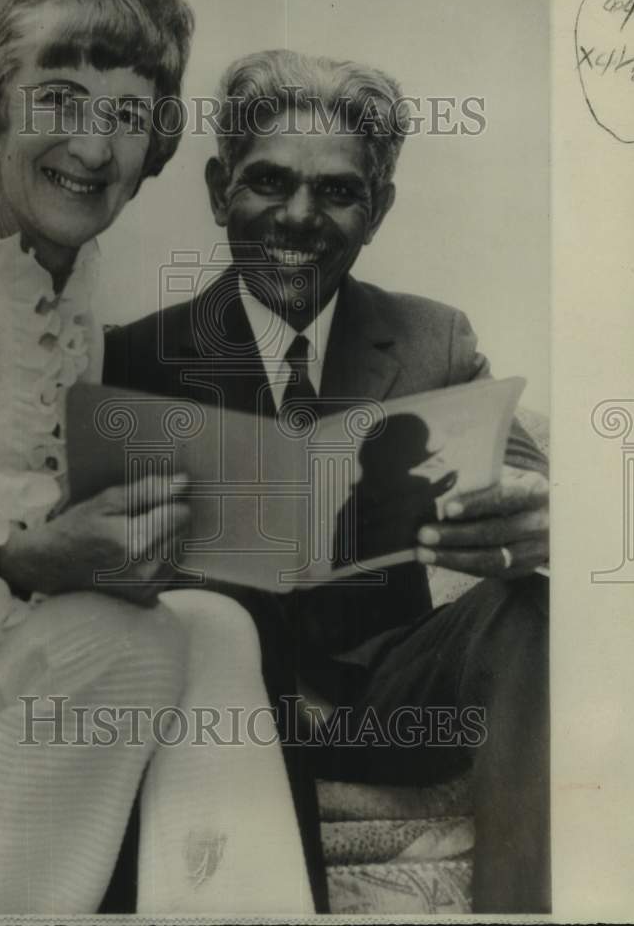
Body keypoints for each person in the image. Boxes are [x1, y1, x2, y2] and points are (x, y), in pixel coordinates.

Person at [0, 0, 312, 916]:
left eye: (128, 116)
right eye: (58, 100)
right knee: (114, 639)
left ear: (153, 150)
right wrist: (17, 560)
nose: (94, 146)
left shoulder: (72, 313)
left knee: (214, 623)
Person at [104, 48, 550, 913]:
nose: (300, 217)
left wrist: (537, 517)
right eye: (269, 182)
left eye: (339, 191)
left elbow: (528, 482)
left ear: (377, 210)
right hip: (223, 709)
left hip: (394, 696)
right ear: (218, 191)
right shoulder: (134, 358)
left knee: (529, 610)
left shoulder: (431, 339)